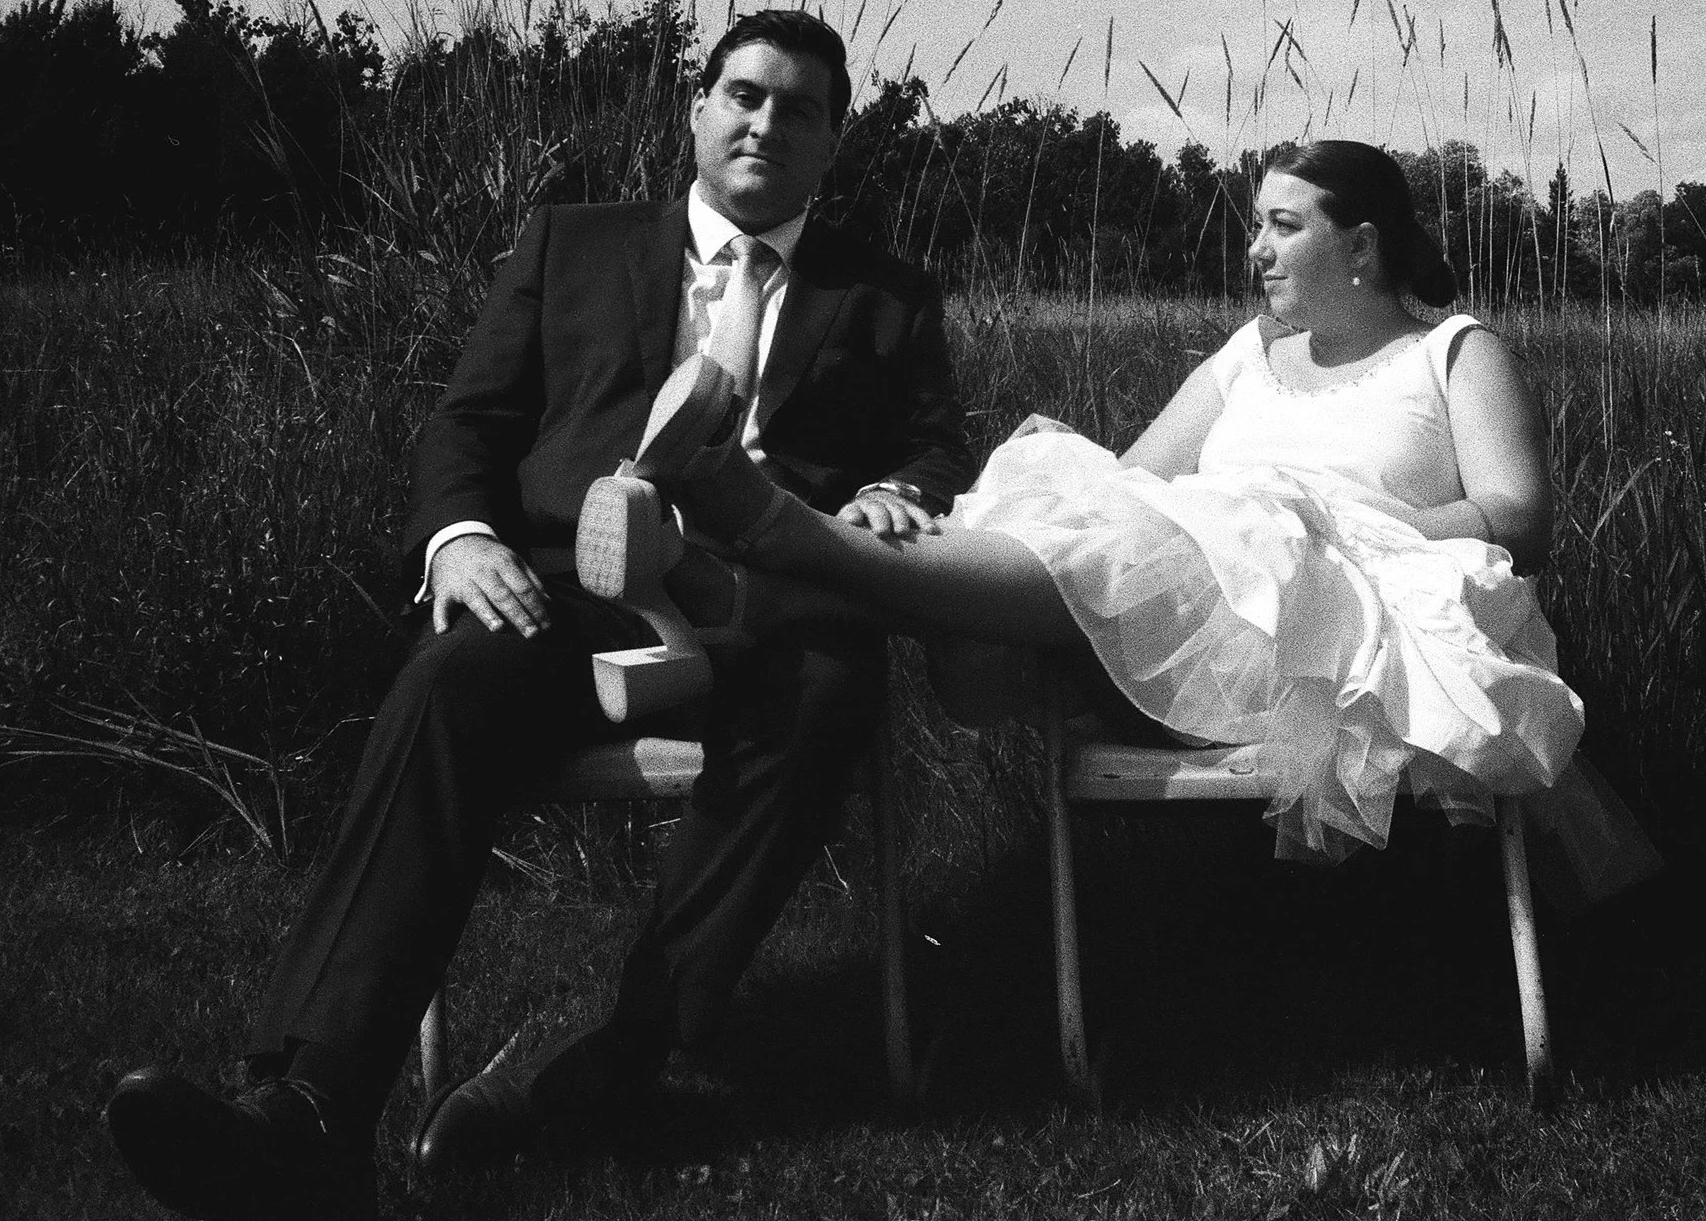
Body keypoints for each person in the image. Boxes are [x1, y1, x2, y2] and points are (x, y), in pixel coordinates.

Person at [106, 10, 973, 1220]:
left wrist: (897, 489)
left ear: (834, 142)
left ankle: (615, 1065)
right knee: (449, 678)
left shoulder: (883, 294)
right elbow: (470, 421)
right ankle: (309, 1111)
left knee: (837, 680)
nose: (766, 121)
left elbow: (938, 444)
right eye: (743, 93)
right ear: (696, 108)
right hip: (570, 587)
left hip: (769, 602)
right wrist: (459, 539)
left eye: (800, 107)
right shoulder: (571, 241)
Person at [585, 139, 1584, 865]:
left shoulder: (1453, 351)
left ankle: (747, 542)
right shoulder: (1248, 355)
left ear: (1360, 243)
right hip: (1175, 613)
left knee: (1167, 538)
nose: (1256, 251)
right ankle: (759, 573)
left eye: (1283, 226)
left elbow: (1517, 517)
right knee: (1075, 502)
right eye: (1255, 228)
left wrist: (1326, 520)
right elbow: (1131, 488)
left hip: (1309, 637)